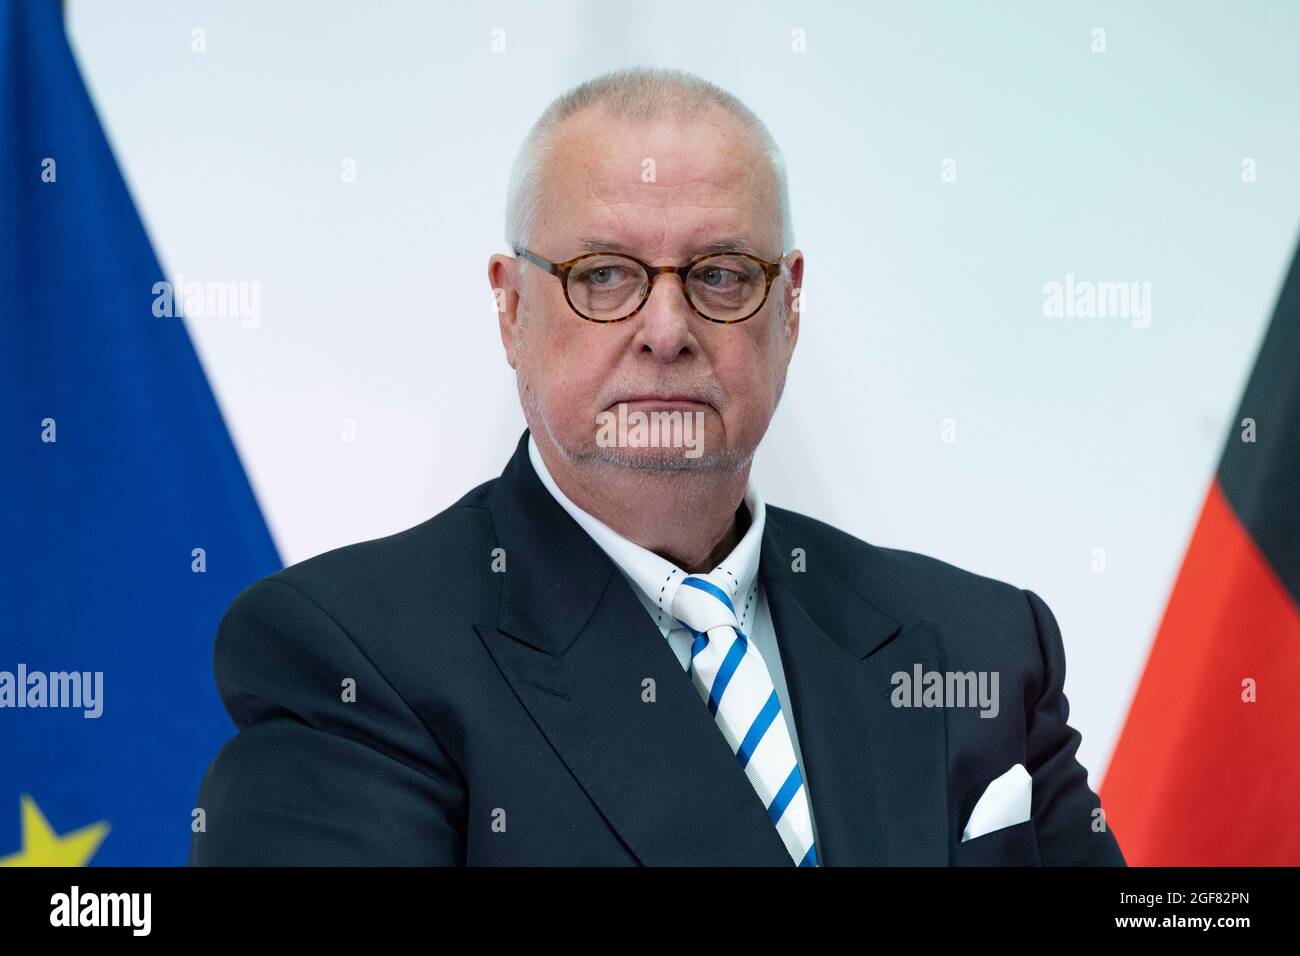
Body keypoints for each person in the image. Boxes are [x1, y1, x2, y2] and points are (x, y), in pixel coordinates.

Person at [189, 66, 1125, 866]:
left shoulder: (983, 646)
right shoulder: (349, 657)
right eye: (604, 274)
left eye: (721, 274)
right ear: (511, 309)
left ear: (788, 308)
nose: (667, 332)